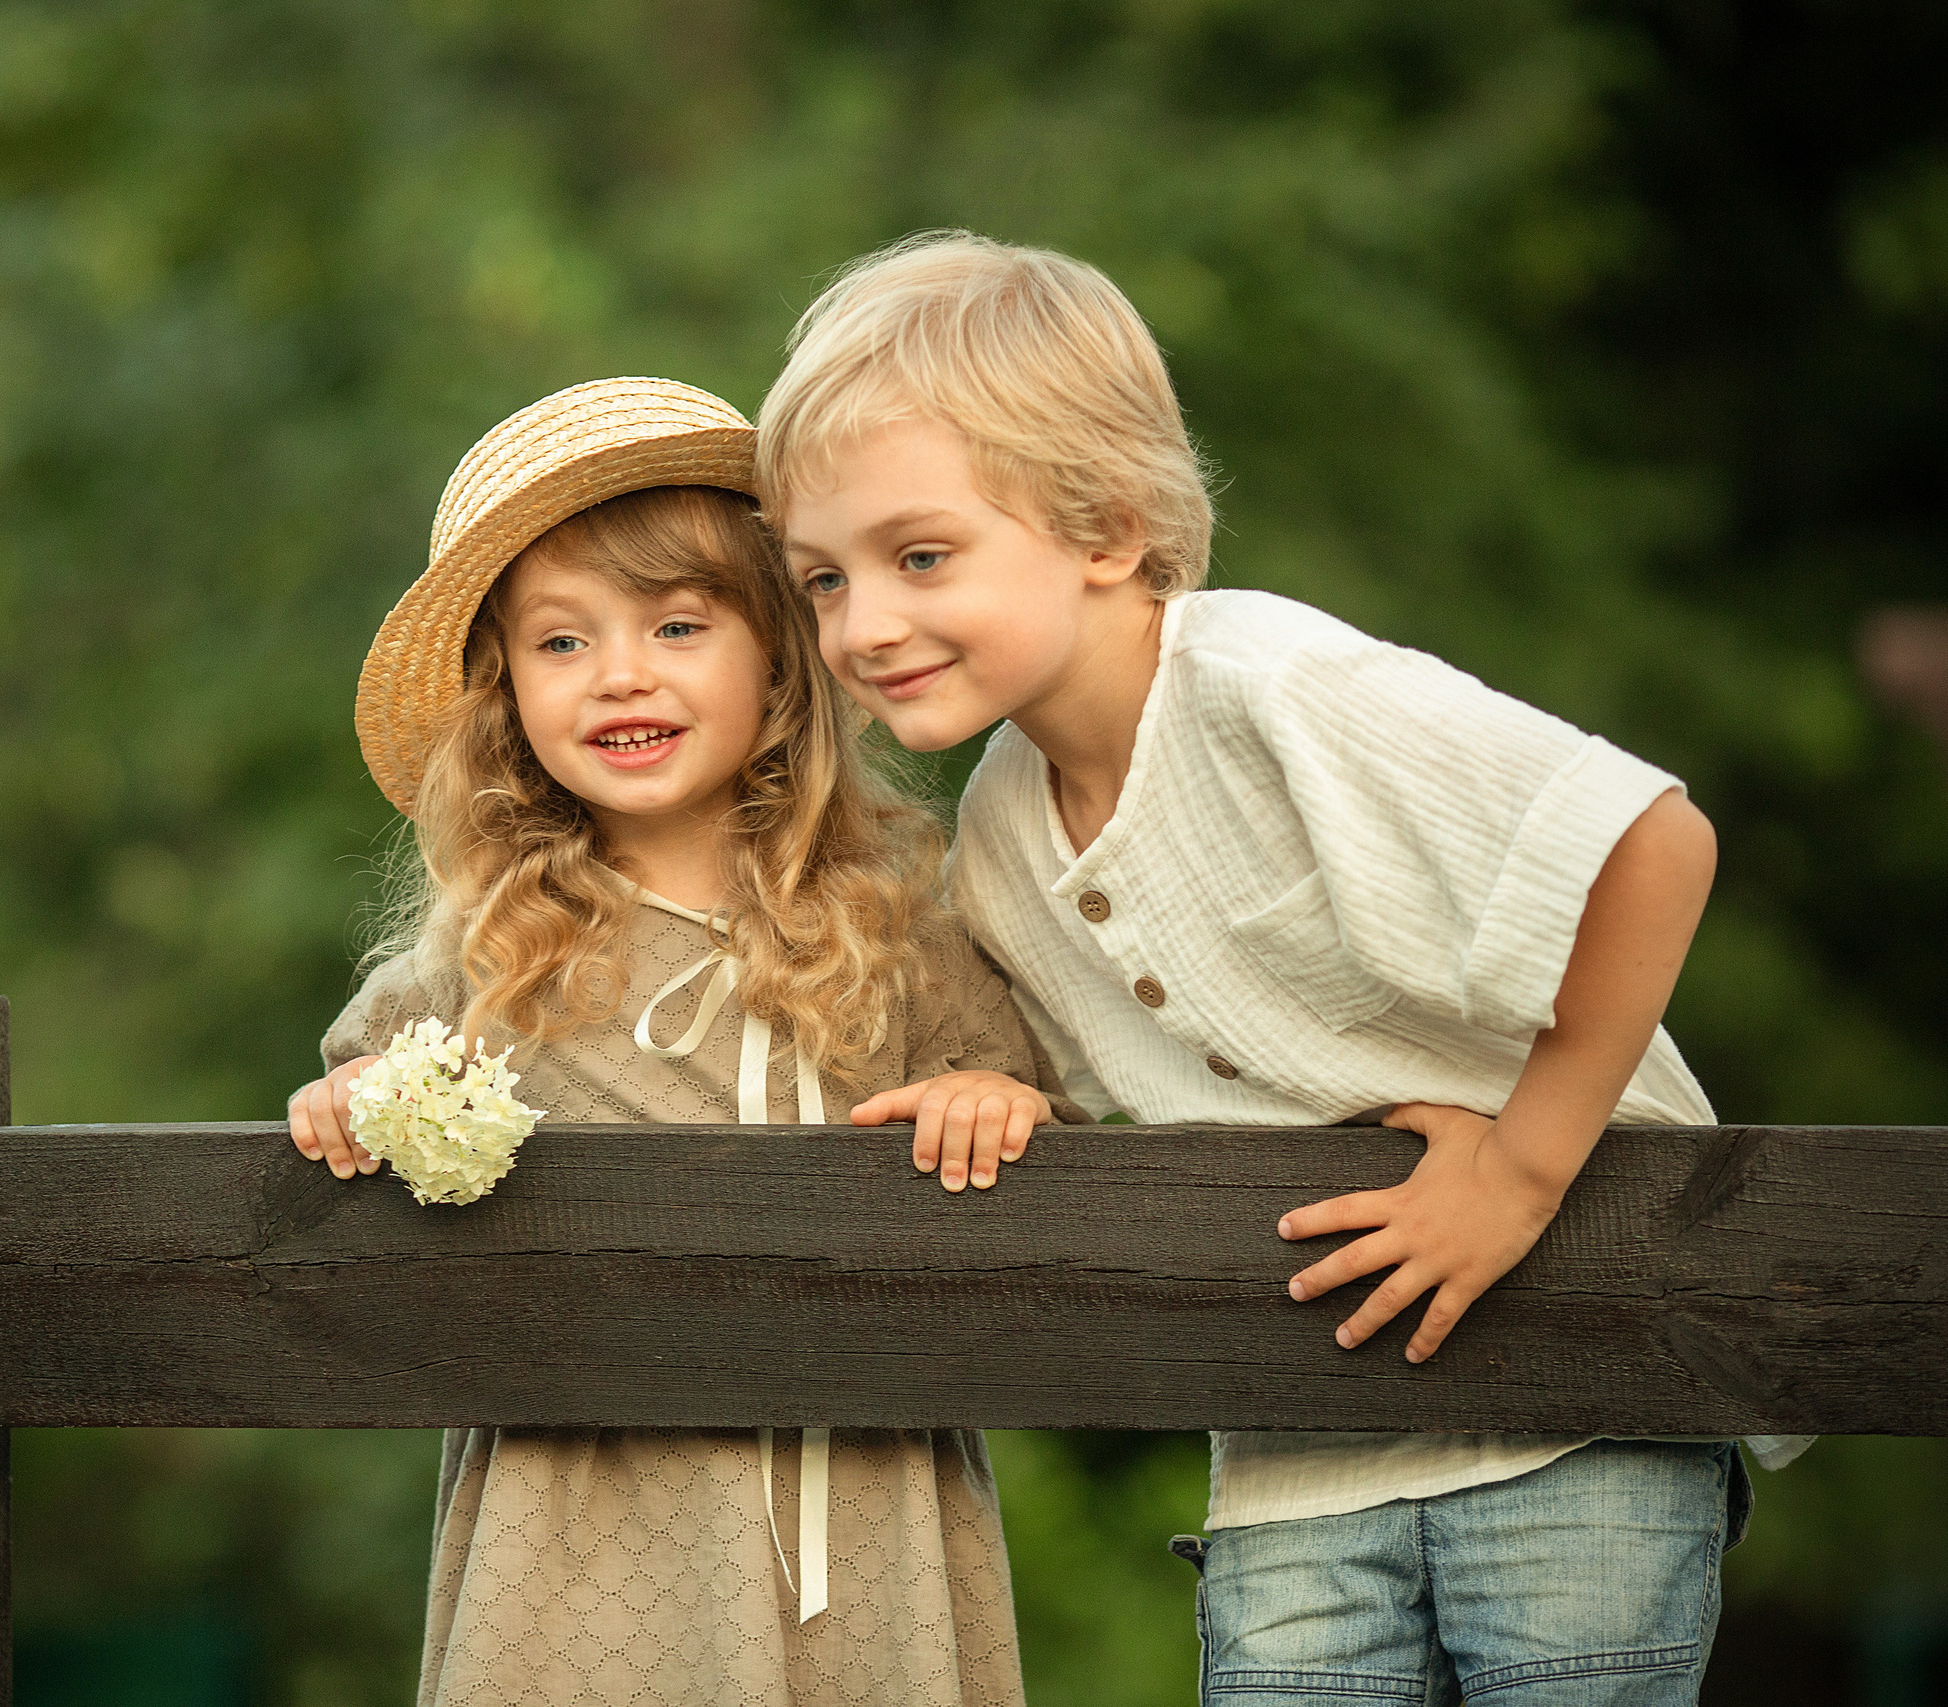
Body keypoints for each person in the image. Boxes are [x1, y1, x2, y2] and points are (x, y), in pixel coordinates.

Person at [756, 232, 1809, 1707]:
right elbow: (1069, 1077)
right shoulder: (994, 833)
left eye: (921, 556)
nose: (862, 626)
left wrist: (1516, 1170)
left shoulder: (1273, 689)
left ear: (1107, 526)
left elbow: (1654, 841)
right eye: (820, 580)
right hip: (1296, 1451)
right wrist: (1005, 1098)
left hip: (1588, 1392)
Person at [286, 376, 1062, 1707]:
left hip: (855, 1480)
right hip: (587, 1499)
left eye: (679, 624)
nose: (622, 674)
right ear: (505, 694)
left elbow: (1025, 1088)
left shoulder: (887, 922)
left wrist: (997, 1101)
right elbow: (351, 1086)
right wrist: (350, 1104)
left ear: (775, 658)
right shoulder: (494, 948)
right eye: (562, 643)